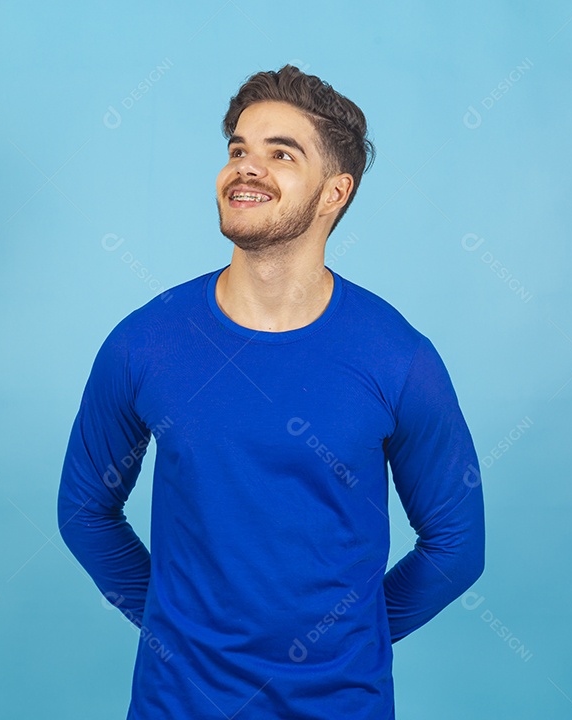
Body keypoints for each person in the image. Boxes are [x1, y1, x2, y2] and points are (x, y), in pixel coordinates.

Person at [58, 64, 485, 720]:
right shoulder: (145, 342)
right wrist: (174, 630)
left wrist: (355, 639)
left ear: (334, 192)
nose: (247, 168)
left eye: (281, 154)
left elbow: (456, 546)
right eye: (238, 150)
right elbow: (85, 511)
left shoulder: (398, 357)